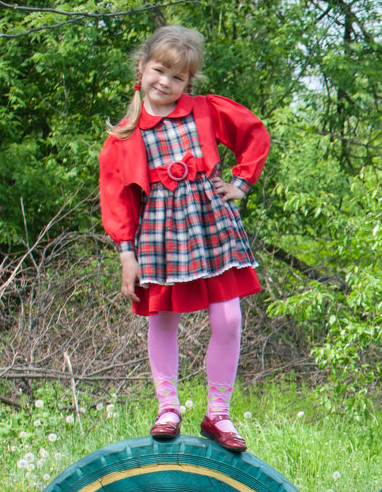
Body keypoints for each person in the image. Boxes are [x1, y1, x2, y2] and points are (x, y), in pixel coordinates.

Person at [99, 25, 269, 452]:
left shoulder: (205, 110)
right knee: (164, 318)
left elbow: (254, 134)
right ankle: (168, 406)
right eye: (160, 71)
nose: (166, 83)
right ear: (141, 68)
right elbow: (116, 198)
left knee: (228, 318)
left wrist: (241, 183)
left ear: (188, 82)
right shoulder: (122, 136)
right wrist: (126, 254)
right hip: (158, 234)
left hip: (210, 225)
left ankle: (218, 413)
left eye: (178, 78)